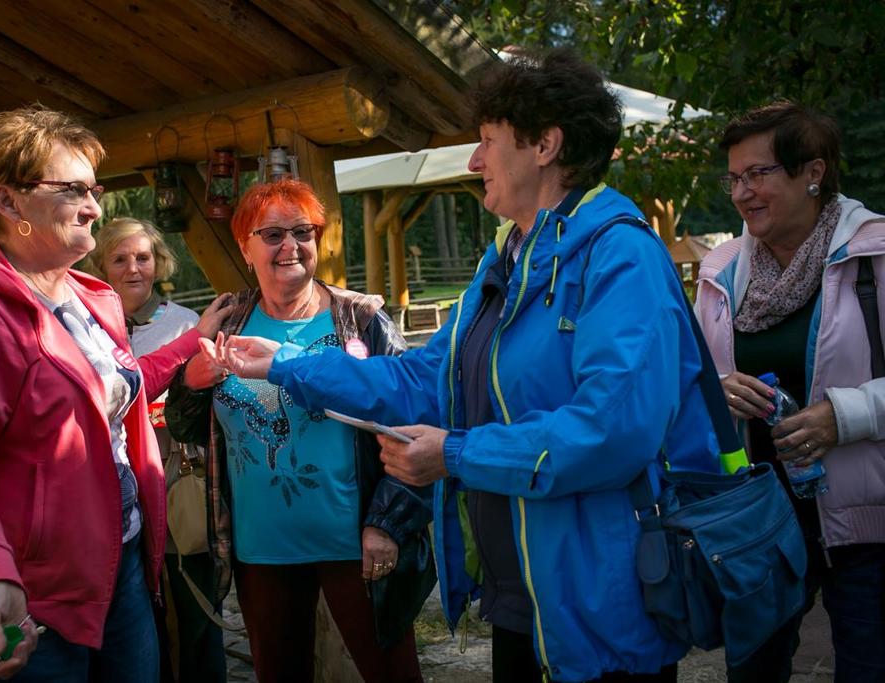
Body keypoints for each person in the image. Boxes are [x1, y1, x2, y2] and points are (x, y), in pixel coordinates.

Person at [210, 50, 721, 683]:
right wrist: (285, 364)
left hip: (597, 597)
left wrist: (455, 455)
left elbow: (612, 433)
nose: (475, 160)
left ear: (545, 145)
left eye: (486, 141)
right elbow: (425, 379)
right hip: (517, 595)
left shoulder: (621, 258)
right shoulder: (505, 260)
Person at [0, 106, 219, 682]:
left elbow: (111, 396)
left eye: (94, 189)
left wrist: (191, 345)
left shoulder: (86, 296)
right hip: (28, 589)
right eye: (73, 189)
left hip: (115, 565)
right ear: (8, 202)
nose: (95, 207)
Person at [164, 179, 432, 683]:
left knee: (392, 673)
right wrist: (193, 382)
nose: (289, 246)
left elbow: (411, 420)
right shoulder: (227, 321)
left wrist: (388, 523)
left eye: (302, 231)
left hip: (356, 543)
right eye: (271, 234)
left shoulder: (359, 321)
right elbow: (186, 427)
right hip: (262, 548)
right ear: (245, 246)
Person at [694, 101, 885, 683]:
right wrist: (717, 391)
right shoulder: (719, 273)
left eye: (759, 173)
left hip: (869, 525)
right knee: (754, 671)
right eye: (734, 178)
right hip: (759, 526)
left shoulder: (875, 253)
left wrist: (842, 417)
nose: (742, 192)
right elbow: (688, 383)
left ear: (813, 172)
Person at [84, 217, 231, 682]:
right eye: (120, 258)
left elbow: (204, 407)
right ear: (100, 265)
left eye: (143, 257)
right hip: (111, 492)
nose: (134, 269)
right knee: (139, 613)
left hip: (178, 478)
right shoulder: (86, 329)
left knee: (193, 602)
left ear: (159, 262)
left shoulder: (185, 325)